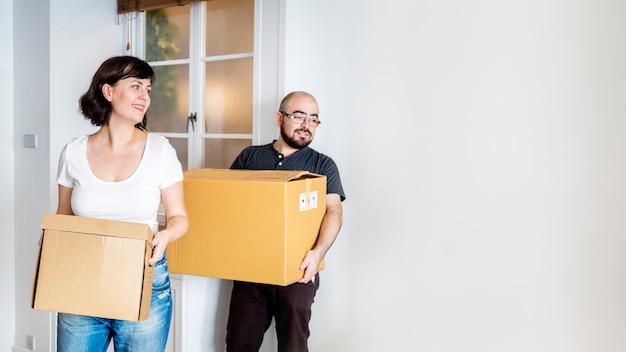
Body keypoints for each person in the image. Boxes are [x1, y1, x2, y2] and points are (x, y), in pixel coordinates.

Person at [55, 56, 189, 352]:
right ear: (108, 91)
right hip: (82, 281)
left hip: (144, 277)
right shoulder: (73, 152)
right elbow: (63, 218)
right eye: (136, 86)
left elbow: (179, 217)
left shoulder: (160, 151)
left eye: (149, 89)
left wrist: (165, 235)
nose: (145, 96)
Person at [225, 91, 346, 352]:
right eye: (299, 116)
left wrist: (318, 253)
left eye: (314, 120)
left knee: (293, 347)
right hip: (251, 272)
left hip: (299, 272)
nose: (306, 125)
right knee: (238, 345)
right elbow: (228, 205)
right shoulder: (250, 158)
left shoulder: (322, 165)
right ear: (279, 118)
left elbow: (333, 211)